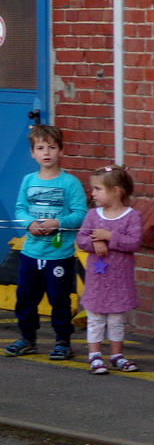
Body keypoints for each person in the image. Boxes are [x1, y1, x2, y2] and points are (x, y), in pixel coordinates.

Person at [7, 124, 87, 360]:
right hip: (31, 253)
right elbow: (20, 209)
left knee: (59, 300)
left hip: (59, 254)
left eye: (52, 147)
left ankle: (63, 341)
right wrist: (29, 224)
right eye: (40, 148)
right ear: (33, 153)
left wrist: (57, 223)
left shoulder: (69, 183)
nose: (46, 152)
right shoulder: (28, 180)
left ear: (60, 150)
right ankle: (27, 338)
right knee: (26, 297)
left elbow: (80, 214)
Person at [76, 165, 144, 374]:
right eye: (93, 189)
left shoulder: (132, 216)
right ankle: (95, 356)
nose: (92, 193)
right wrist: (93, 243)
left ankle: (116, 355)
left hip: (119, 280)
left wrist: (109, 237)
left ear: (116, 191)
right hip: (98, 280)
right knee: (95, 318)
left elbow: (134, 243)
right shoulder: (93, 216)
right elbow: (81, 238)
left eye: (98, 189)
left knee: (116, 319)